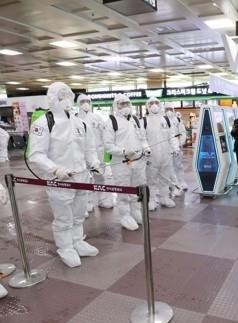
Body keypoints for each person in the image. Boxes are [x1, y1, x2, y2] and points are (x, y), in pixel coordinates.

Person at [29, 82, 101, 268]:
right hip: (59, 180)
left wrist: (93, 162)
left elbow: (89, 148)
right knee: (63, 217)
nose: (66, 100)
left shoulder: (80, 123)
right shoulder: (44, 123)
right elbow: (35, 155)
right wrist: (54, 169)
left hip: (81, 177)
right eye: (62, 96)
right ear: (52, 98)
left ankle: (78, 241)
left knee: (79, 213)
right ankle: (65, 247)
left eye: (68, 95)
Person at [103, 94, 150, 231]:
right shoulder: (111, 122)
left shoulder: (135, 119)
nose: (125, 107)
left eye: (127, 104)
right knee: (123, 187)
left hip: (138, 161)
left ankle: (135, 210)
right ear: (116, 106)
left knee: (137, 187)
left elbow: (142, 137)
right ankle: (125, 215)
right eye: (121, 104)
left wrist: (146, 147)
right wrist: (123, 151)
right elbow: (108, 145)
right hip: (121, 162)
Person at [76, 94, 114, 210]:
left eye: (87, 101)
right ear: (78, 103)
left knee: (100, 177)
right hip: (81, 154)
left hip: (98, 153)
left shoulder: (97, 118)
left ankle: (103, 199)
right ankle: (87, 202)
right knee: (85, 178)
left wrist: (107, 149)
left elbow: (105, 135)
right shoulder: (75, 119)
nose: (85, 103)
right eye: (82, 101)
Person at [143, 97, 178, 210]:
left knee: (165, 177)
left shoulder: (166, 120)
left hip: (166, 154)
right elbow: (141, 138)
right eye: (151, 103)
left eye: (156, 103)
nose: (154, 105)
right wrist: (146, 149)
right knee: (151, 179)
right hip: (151, 156)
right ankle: (152, 200)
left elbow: (172, 136)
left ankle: (164, 197)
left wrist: (175, 148)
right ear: (147, 106)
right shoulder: (144, 121)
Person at [170, 109, 188, 191]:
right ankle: (172, 184)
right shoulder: (162, 120)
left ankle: (181, 181)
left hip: (178, 148)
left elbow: (183, 133)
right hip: (167, 149)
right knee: (168, 167)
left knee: (178, 166)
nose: (168, 111)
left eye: (170, 109)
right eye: (167, 109)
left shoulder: (177, 120)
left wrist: (180, 144)